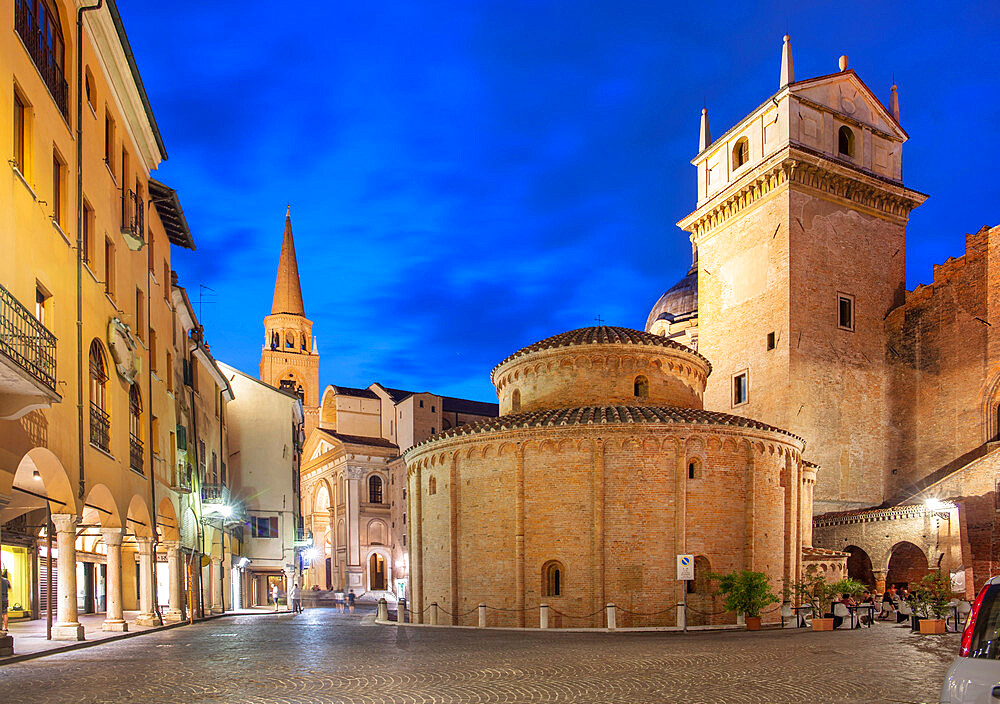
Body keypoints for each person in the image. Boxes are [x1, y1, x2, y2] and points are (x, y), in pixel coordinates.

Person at [1, 568, 10, 634]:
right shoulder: (6, 580)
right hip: (5, 599)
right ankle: (5, 627)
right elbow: (10, 588)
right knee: (5, 613)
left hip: (1, 599)